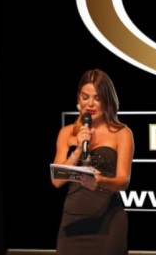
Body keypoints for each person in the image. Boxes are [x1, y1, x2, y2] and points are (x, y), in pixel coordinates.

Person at [52, 69, 134, 254]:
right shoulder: (66, 133)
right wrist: (78, 150)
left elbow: (124, 181)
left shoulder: (122, 133)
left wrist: (101, 181)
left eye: (97, 98)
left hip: (108, 223)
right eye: (85, 97)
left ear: (107, 100)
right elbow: (57, 180)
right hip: (72, 223)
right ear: (78, 99)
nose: (90, 103)